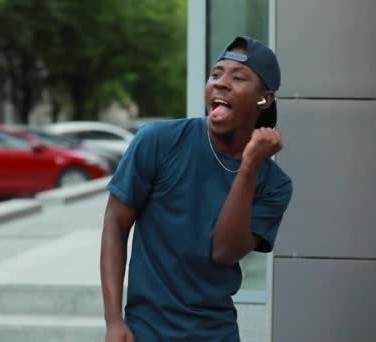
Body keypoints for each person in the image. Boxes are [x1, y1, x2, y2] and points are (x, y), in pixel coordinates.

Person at [100, 36, 293, 341]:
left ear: (263, 99)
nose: (221, 83)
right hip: (145, 331)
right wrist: (113, 320)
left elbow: (225, 251)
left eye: (238, 77)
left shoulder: (274, 184)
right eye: (216, 74)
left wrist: (248, 167)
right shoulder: (158, 141)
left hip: (216, 333)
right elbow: (115, 221)